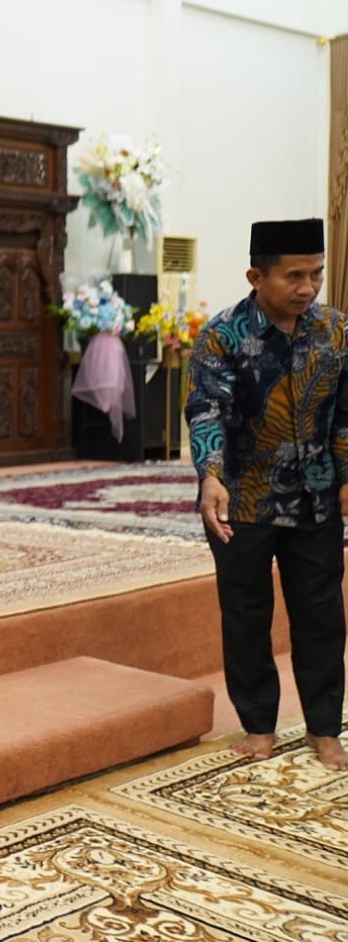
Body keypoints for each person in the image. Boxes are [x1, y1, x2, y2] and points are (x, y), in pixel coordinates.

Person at [184, 217, 348, 772]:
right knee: (247, 616)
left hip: (316, 498)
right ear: (257, 275)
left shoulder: (336, 332)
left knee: (322, 613)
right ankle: (259, 724)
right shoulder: (222, 335)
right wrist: (209, 474)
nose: (308, 287)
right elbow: (207, 408)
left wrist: (346, 477)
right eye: (294, 275)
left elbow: (345, 417)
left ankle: (325, 728)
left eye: (317, 274)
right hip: (242, 501)